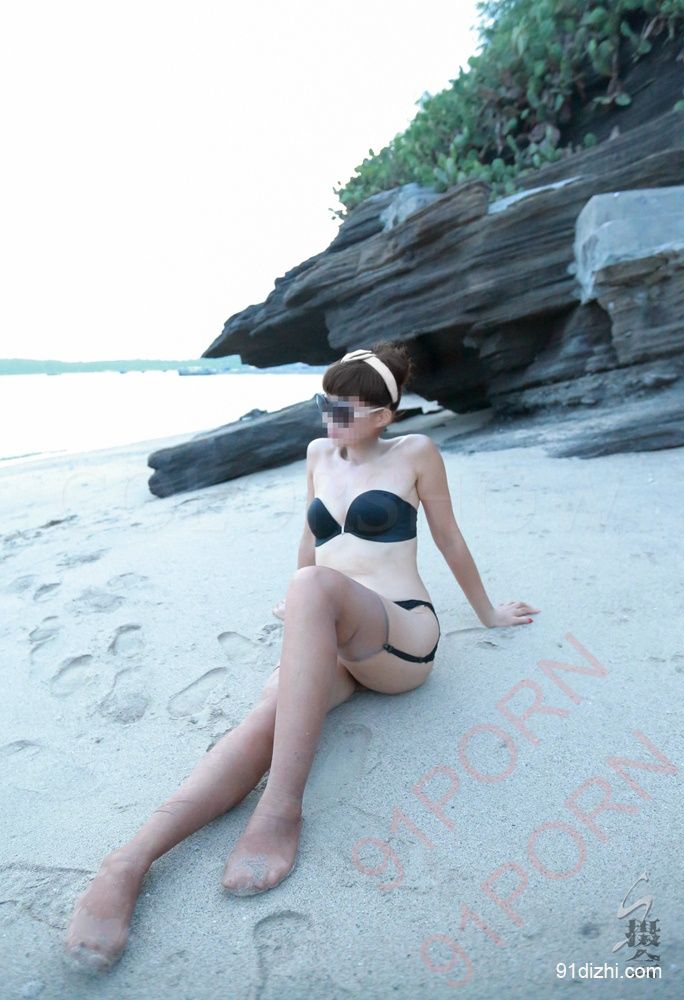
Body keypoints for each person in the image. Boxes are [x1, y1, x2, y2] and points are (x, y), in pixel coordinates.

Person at [63, 340, 540, 971]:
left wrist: (487, 614)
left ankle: (280, 808)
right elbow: (311, 538)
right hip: (331, 629)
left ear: (383, 415)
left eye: (347, 408)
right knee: (264, 718)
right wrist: (297, 602)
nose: (330, 417)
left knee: (312, 589)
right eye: (325, 403)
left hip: (399, 637)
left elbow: (449, 538)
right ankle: (128, 862)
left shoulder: (415, 453)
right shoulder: (318, 453)